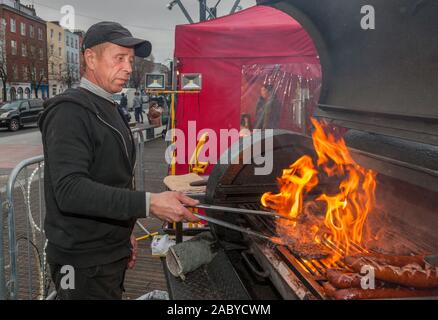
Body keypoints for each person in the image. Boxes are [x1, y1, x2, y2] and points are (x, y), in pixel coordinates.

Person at [38, 21, 199, 300]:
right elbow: (70, 190)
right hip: (80, 261)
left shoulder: (109, 106)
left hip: (109, 251)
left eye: (131, 60)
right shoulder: (69, 112)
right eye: (119, 58)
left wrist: (123, 234)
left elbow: (112, 177)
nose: (128, 67)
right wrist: (149, 203)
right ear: (90, 58)